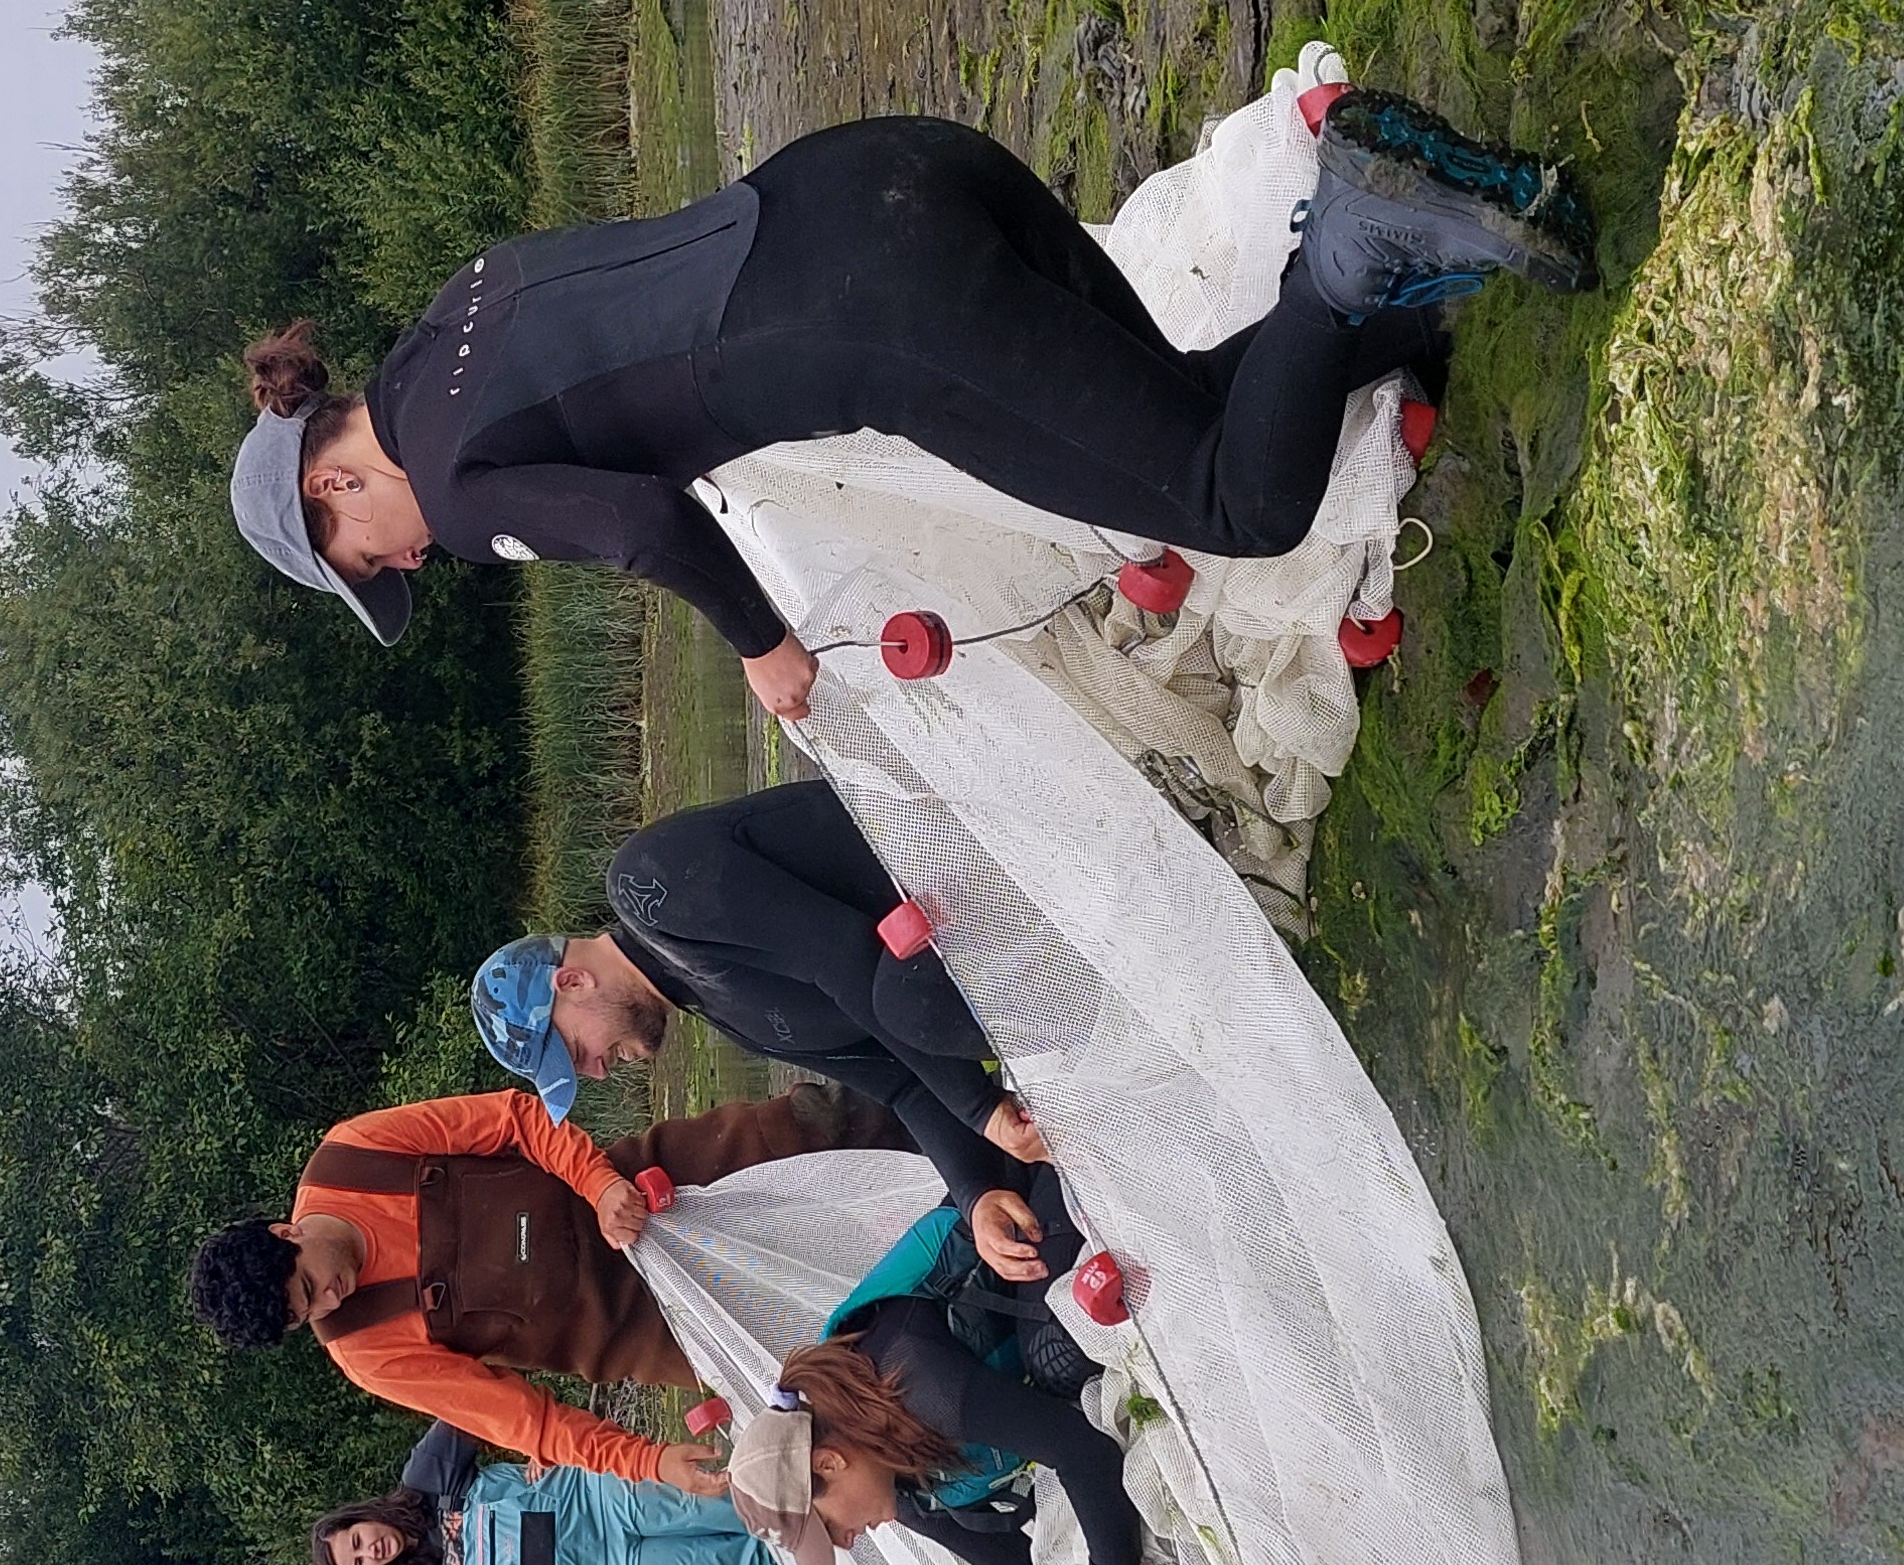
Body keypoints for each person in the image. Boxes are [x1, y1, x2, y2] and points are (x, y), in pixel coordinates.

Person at [224, 95, 1596, 718]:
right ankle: (1415, 291)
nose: (407, 566)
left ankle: (1350, 244)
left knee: (1231, 500)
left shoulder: (457, 498)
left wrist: (761, 647)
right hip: (890, 168)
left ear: (330, 488)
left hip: (896, 325)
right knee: (1177, 416)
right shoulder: (454, 310)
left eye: (366, 560)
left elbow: (643, 526)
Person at [471, 778, 1076, 1283]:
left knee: (902, 1003)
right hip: (1003, 982)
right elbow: (899, 1085)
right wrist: (975, 1193)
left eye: (577, 1051)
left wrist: (982, 1107)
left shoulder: (647, 887)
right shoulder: (721, 1010)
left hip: (989, 857)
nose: (598, 1069)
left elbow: (845, 955)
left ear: (572, 984)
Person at [764, 1210, 1228, 1565]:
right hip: (1052, 1397)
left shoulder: (914, 1381)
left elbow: (1079, 1449)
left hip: (1048, 1237)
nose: (847, 1544)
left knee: (1057, 1362)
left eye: (828, 1529)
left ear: (828, 1462)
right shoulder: (910, 1492)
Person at [186, 1087, 728, 1490]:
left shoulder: (353, 1155)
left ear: (287, 1232)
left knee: (805, 1132)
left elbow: (515, 1119)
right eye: (310, 1313)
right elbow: (523, 1421)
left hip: (659, 1183)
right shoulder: (363, 1350)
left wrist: (599, 1183)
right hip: (654, 1335)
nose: (333, 1300)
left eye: (311, 1282)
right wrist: (646, 1462)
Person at [312, 1418, 782, 1565]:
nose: (370, 1551)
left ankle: (819, 1501)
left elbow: (472, 1409)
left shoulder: (423, 1479)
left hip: (603, 1497)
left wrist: (536, 1441)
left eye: (357, 1540)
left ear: (363, 1517)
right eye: (360, 1562)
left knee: (731, 1505)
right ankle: (829, 1561)